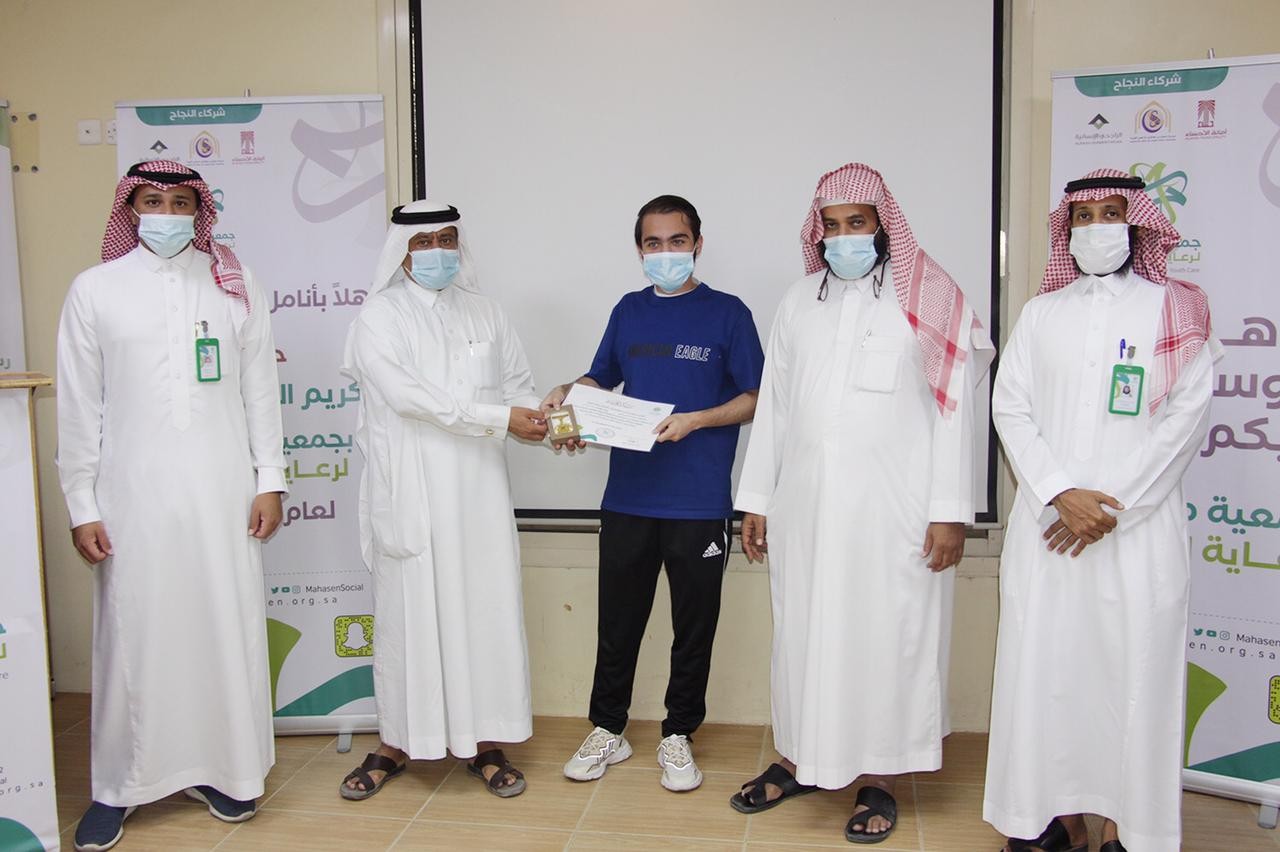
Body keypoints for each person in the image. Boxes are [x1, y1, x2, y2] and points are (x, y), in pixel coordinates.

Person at [729, 162, 994, 843]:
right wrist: (756, 499)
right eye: (832, 225)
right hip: (807, 509)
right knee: (803, 634)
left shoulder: (931, 297)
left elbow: (957, 410)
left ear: (883, 225)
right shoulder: (799, 301)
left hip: (895, 514)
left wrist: (950, 510)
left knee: (888, 638)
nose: (844, 236)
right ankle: (801, 757)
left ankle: (881, 776)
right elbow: (776, 408)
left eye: (858, 222)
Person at [983, 169, 1217, 852]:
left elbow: (1184, 421)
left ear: (1137, 223)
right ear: (1067, 230)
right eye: (1082, 217)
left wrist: (1109, 507)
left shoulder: (1177, 310)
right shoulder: (1041, 313)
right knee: (1047, 676)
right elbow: (1010, 407)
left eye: (1111, 213)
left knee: (1132, 678)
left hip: (1135, 536)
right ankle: (1056, 821)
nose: (1096, 229)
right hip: (1049, 529)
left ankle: (1127, 828)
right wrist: (1061, 492)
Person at [57, 160, 286, 851]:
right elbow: (79, 406)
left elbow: (259, 391)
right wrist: (80, 503)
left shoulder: (234, 282)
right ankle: (117, 787)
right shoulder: (96, 289)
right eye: (152, 200)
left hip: (223, 490)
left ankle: (225, 771)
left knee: (223, 627)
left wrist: (270, 478)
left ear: (199, 211)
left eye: (181, 202)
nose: (166, 213)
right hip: (132, 495)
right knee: (134, 636)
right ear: (131, 208)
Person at [543, 195, 764, 792]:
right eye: (653, 243)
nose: (665, 252)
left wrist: (696, 420)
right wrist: (569, 392)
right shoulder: (629, 310)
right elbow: (599, 377)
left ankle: (678, 733)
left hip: (698, 502)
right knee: (617, 624)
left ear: (697, 244)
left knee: (694, 627)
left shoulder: (728, 313)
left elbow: (755, 398)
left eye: (676, 241)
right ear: (640, 250)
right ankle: (608, 729)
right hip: (628, 499)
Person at [338, 200, 546, 801]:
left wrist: (542, 419)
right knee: (408, 619)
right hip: (413, 493)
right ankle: (397, 743)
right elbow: (411, 398)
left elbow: (518, 386)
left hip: (480, 493)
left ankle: (485, 743)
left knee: (484, 612)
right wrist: (500, 417)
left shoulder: (487, 311)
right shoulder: (379, 316)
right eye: (423, 242)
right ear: (401, 251)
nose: (438, 252)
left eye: (447, 239)